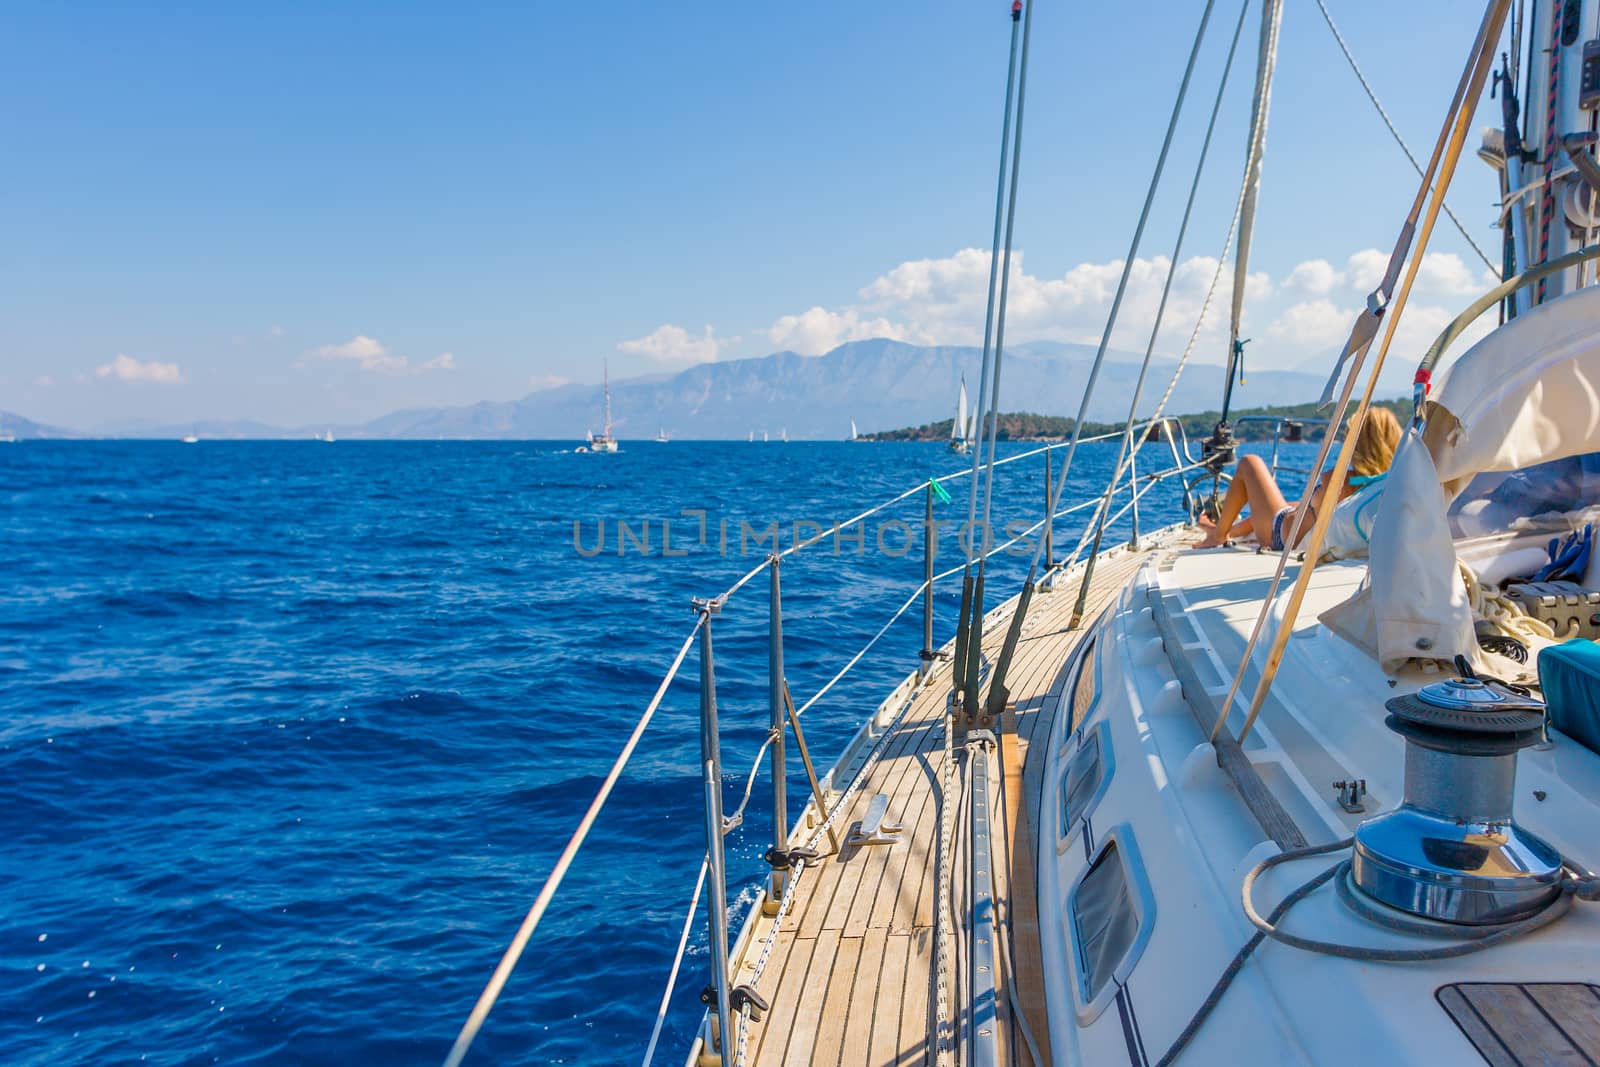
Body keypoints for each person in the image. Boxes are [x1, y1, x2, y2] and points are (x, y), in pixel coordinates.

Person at [1196, 407, 1402, 550]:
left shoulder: (1336, 481)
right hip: (1290, 520)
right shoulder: (1389, 485)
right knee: (1291, 506)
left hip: (1279, 535)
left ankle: (1217, 534)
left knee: (1250, 463)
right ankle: (1222, 531)